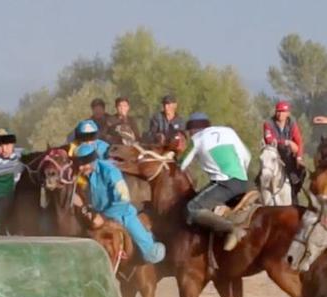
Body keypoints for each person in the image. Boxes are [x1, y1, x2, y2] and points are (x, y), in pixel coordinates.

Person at [74, 143, 165, 263]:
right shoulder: (84, 175)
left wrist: (104, 216)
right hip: (96, 213)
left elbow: (123, 199)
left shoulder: (110, 171)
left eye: (83, 164)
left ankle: (150, 251)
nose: (80, 168)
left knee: (145, 245)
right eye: (79, 165)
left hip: (120, 213)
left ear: (91, 161)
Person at [178, 112, 251, 251]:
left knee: (192, 208)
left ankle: (232, 229)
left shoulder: (197, 139)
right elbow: (247, 156)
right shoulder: (228, 131)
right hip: (244, 181)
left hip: (225, 184)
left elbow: (181, 164)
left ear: (193, 129)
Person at [262, 101, 306, 205]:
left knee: (301, 172)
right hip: (274, 152)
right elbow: (269, 140)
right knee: (264, 170)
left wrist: (299, 157)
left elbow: (299, 141)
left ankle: (294, 193)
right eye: (278, 111)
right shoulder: (268, 123)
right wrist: (287, 142)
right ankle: (261, 193)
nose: (280, 114)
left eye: (283, 111)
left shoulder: (292, 123)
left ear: (288, 113)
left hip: (288, 155)